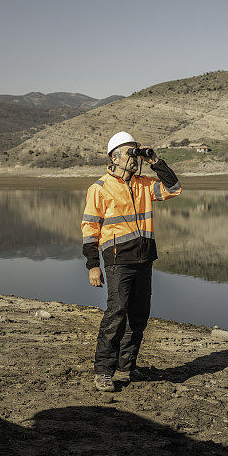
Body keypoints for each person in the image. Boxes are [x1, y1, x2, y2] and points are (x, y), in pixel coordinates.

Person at [81, 131, 182, 392]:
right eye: (130, 152)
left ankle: (127, 367)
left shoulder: (145, 184)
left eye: (136, 152)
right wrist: (93, 265)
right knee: (116, 314)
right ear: (113, 158)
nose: (134, 158)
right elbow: (90, 228)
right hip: (117, 260)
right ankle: (103, 371)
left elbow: (174, 188)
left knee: (139, 316)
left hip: (144, 258)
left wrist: (155, 161)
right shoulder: (100, 188)